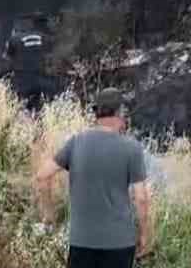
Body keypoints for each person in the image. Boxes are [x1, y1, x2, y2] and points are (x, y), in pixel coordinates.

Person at [34, 88, 153, 268]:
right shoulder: (131, 148)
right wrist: (145, 235)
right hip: (119, 244)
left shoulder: (76, 143)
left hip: (82, 243)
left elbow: (42, 176)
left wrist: (49, 215)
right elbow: (141, 198)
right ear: (119, 112)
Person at [6, 13, 51, 112]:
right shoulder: (43, 37)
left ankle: (26, 125)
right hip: (40, 78)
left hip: (23, 79)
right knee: (38, 108)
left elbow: (8, 59)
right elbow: (49, 57)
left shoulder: (14, 39)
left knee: (22, 108)